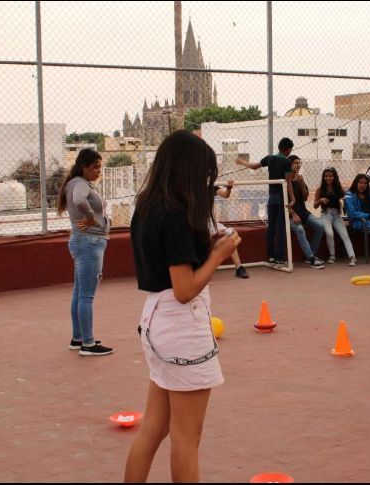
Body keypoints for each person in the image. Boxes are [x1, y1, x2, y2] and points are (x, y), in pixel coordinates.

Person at [125, 130, 241, 483]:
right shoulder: (175, 212)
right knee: (187, 438)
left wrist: (206, 245)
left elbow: (170, 264)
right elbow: (185, 289)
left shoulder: (147, 205)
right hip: (180, 324)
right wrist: (220, 255)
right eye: (204, 174)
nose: (207, 182)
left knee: (153, 429)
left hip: (156, 319)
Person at [56, 148, 113, 356]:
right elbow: (80, 201)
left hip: (84, 241)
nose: (99, 171)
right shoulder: (80, 184)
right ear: (84, 167)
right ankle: (88, 344)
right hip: (89, 242)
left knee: (79, 293)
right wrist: (90, 217)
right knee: (87, 296)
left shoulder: (78, 183)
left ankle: (78, 337)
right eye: (96, 167)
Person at [236, 137, 295, 267]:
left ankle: (271, 256)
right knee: (281, 228)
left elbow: (254, 166)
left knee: (271, 227)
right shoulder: (286, 162)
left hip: (272, 197)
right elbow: (288, 182)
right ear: (288, 149)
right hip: (282, 197)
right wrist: (293, 198)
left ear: (279, 147)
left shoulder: (270, 158)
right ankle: (280, 257)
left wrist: (242, 162)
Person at [287, 155, 326, 269]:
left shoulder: (299, 179)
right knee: (299, 229)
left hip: (303, 212)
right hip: (290, 215)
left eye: (299, 163)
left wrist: (302, 183)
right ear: (289, 165)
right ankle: (312, 258)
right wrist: (293, 214)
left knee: (320, 226)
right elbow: (283, 202)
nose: (298, 165)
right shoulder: (285, 181)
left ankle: (310, 257)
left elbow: (305, 198)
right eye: (295, 163)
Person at [314, 166, 357, 266]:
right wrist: (320, 201)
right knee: (329, 233)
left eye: (331, 176)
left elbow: (344, 200)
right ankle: (332, 255)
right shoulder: (320, 189)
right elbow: (315, 206)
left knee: (345, 235)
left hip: (337, 215)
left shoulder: (338, 188)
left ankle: (352, 257)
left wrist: (342, 201)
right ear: (324, 177)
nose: (328, 178)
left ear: (334, 177)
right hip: (325, 214)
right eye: (326, 176)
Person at [212, 180, 249, 278]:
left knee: (231, 234)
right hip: (195, 223)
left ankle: (239, 267)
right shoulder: (190, 186)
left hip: (211, 223)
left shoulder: (211, 186)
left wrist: (228, 188)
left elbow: (225, 195)